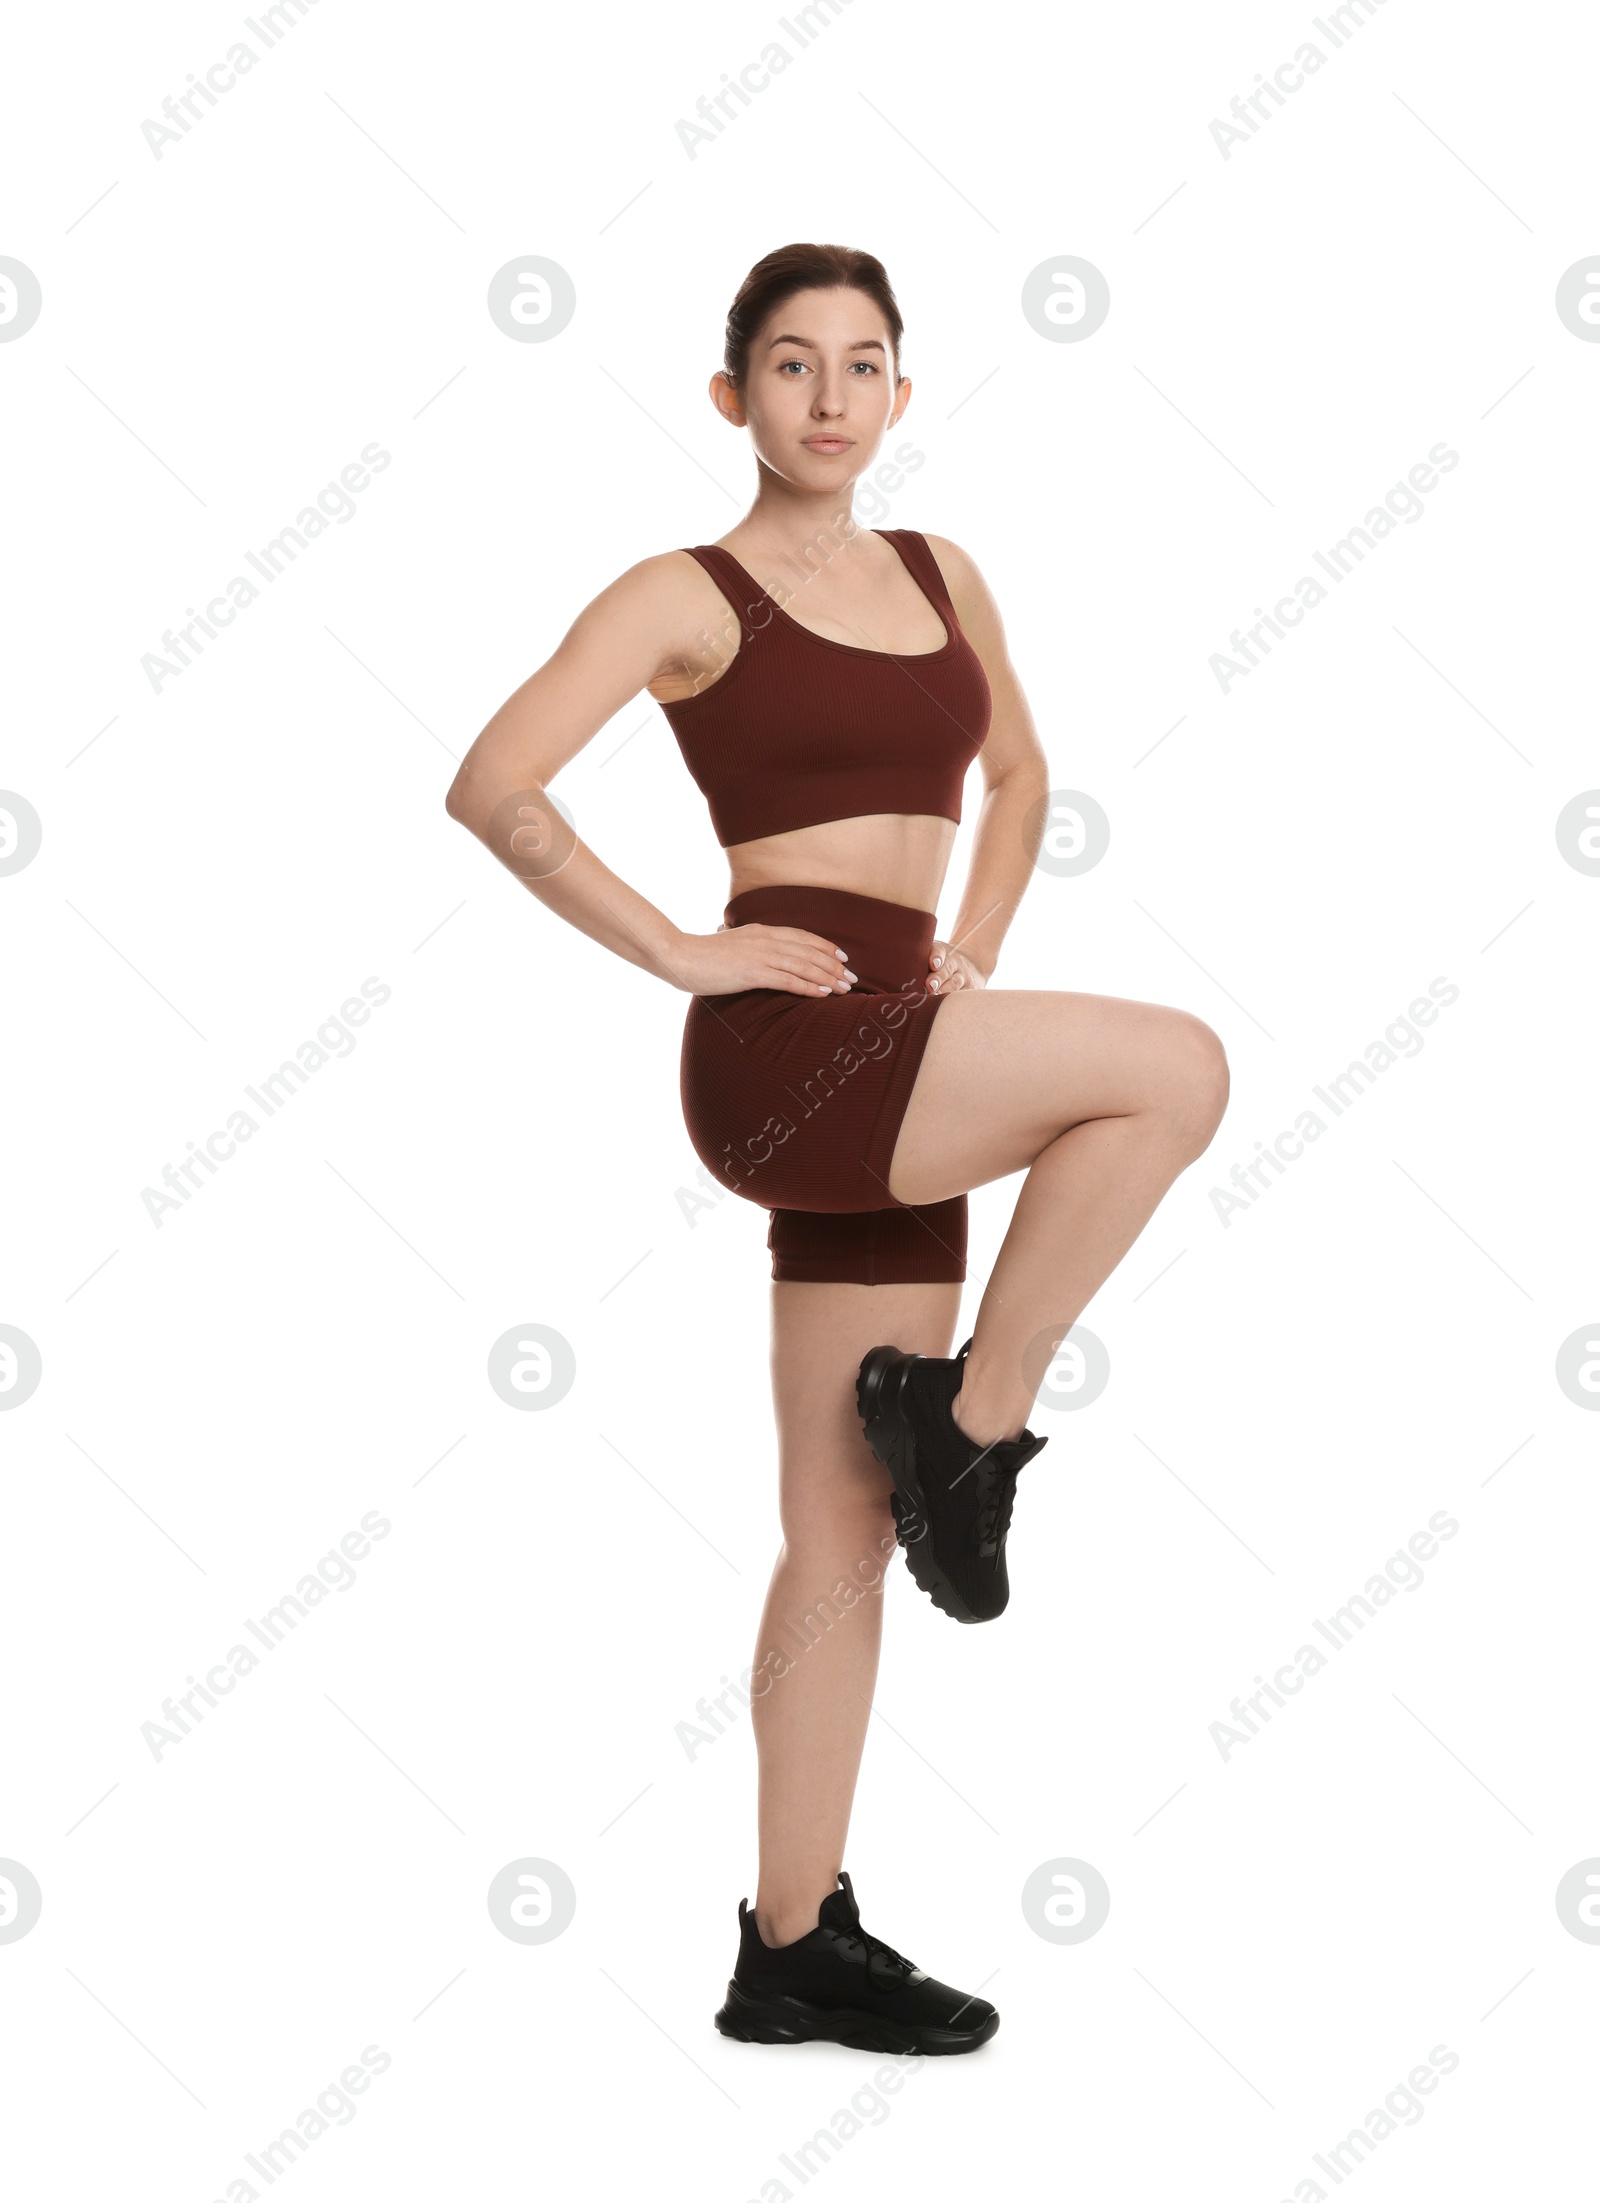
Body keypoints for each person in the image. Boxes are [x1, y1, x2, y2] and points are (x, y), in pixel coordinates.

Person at [445, 242, 1230, 2055]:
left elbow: (1021, 780)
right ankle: (972, 1425)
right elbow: (495, 784)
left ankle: (790, 1939)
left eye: (861, 364)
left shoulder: (949, 575)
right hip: (796, 1049)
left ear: (900, 390)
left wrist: (985, 950)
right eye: (788, 366)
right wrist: (680, 947)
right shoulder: (684, 591)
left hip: (918, 1042)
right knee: (1175, 1071)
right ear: (734, 396)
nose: (826, 396)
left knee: (832, 1530)